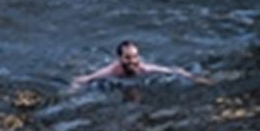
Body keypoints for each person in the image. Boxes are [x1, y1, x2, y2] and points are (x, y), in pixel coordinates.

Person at [71, 40, 211, 88]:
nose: (133, 61)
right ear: (119, 59)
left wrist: (196, 78)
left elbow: (174, 70)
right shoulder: (112, 71)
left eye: (135, 57)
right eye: (128, 58)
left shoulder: (143, 68)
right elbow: (84, 79)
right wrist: (72, 90)